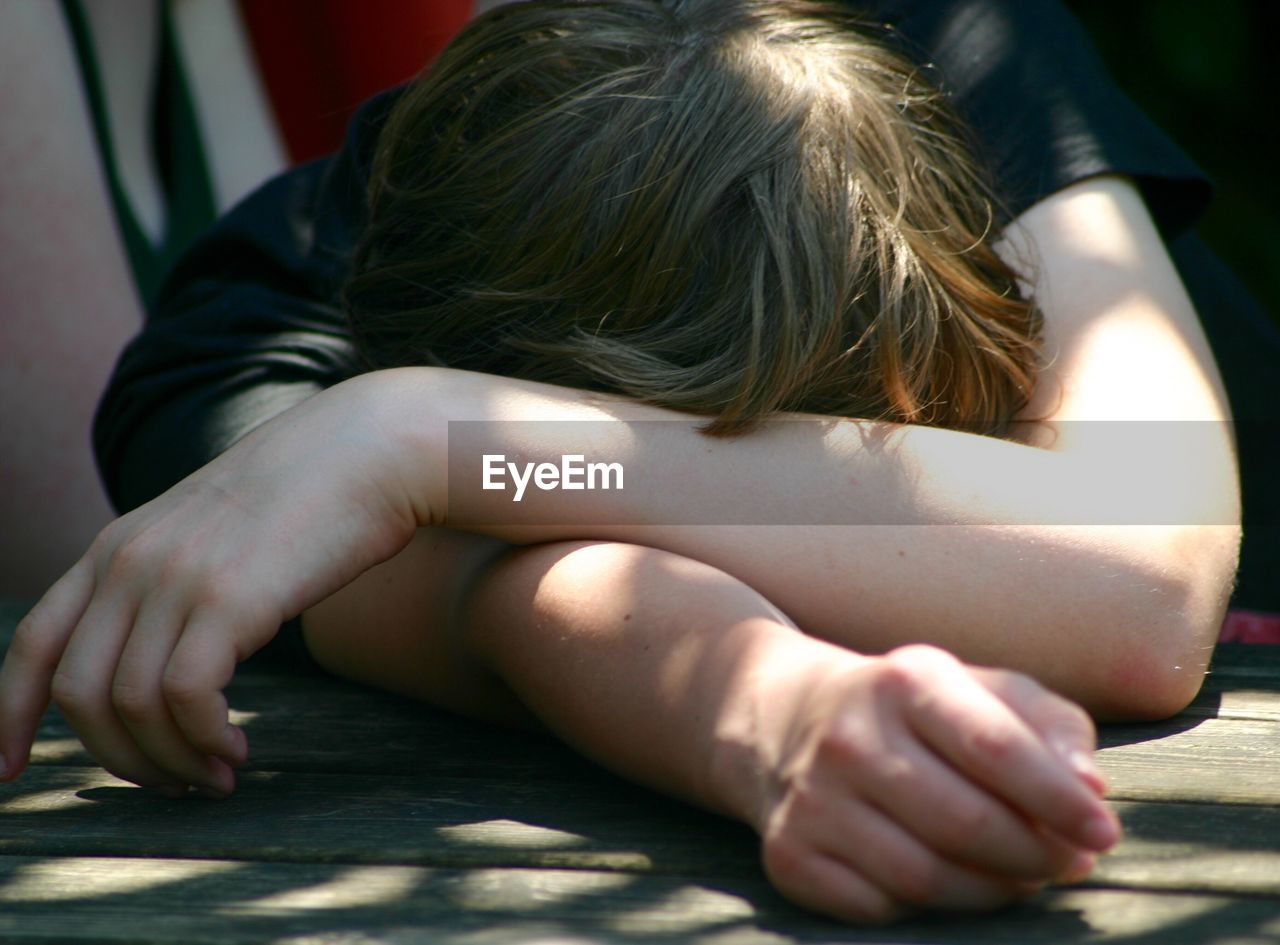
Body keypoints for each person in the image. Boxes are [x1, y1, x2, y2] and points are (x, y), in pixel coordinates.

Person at [0, 0, 1258, 924]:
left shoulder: (950, 49)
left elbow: (1137, 580)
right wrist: (772, 705)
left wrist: (440, 442)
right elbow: (508, 601)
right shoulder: (247, 349)